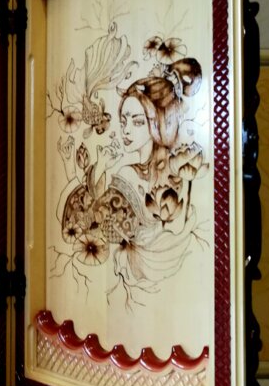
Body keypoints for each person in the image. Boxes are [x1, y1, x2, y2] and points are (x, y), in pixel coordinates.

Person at [56, 57, 205, 303]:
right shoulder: (148, 173)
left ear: (158, 124)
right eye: (124, 120)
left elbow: (88, 221)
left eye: (137, 121)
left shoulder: (132, 174)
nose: (126, 129)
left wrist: (98, 169)